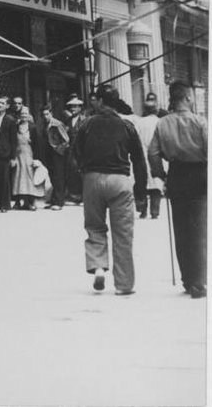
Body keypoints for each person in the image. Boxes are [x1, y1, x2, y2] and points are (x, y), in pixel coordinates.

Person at [73, 86, 147, 295]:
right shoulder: (127, 125)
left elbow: (75, 154)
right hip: (120, 180)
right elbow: (139, 161)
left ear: (101, 102)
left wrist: (82, 179)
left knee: (95, 227)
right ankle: (124, 285)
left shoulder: (86, 124)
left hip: (92, 179)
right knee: (123, 234)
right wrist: (141, 192)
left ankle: (98, 267)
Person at [148, 81, 207, 298]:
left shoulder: (162, 124)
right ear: (188, 98)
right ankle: (199, 284)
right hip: (200, 175)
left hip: (176, 176)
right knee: (199, 230)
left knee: (181, 230)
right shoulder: (201, 122)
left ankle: (187, 280)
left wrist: (160, 175)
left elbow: (152, 153)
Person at [131, 93, 164, 219]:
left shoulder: (139, 122)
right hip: (157, 156)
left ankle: (143, 210)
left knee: (142, 183)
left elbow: (135, 139)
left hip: (142, 155)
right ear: (156, 110)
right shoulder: (160, 122)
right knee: (156, 183)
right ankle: (154, 211)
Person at [39, 105, 70, 211]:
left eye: (47, 114)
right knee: (52, 176)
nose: (45, 116)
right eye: (43, 115)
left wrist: (59, 150)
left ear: (51, 113)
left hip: (57, 153)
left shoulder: (57, 124)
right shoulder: (45, 124)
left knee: (58, 177)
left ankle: (59, 201)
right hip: (49, 153)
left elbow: (66, 140)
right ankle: (54, 200)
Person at [12, 106, 42, 210]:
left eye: (25, 113)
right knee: (18, 177)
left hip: (29, 155)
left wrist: (37, 159)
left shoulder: (33, 127)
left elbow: (37, 144)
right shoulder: (16, 126)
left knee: (29, 178)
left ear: (28, 115)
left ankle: (30, 202)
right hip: (18, 155)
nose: (24, 115)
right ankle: (18, 201)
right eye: (22, 113)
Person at [64, 94, 85, 205]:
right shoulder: (69, 120)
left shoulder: (84, 120)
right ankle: (74, 196)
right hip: (71, 149)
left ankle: (83, 196)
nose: (73, 109)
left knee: (81, 172)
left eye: (75, 106)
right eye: (71, 107)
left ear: (80, 108)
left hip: (81, 149)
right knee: (72, 172)